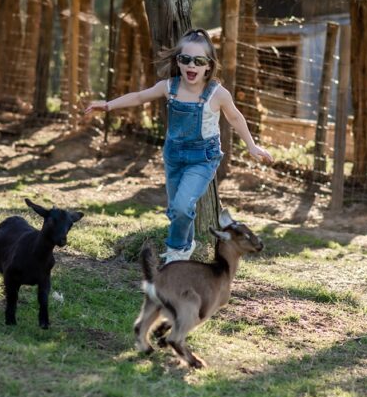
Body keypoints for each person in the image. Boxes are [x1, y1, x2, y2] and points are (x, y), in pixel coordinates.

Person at [85, 26, 274, 260]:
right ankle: (186, 244)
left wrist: (252, 146)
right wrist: (108, 105)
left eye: (198, 61)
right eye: (185, 59)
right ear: (178, 61)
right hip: (174, 156)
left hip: (203, 158)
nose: (191, 66)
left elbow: (235, 117)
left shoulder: (218, 93)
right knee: (176, 210)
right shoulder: (169, 87)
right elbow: (139, 97)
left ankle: (177, 251)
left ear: (209, 65)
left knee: (183, 206)